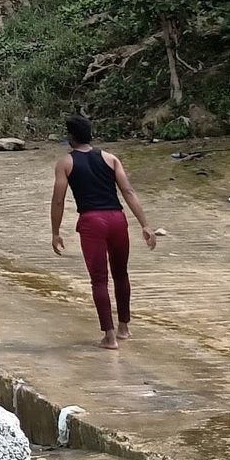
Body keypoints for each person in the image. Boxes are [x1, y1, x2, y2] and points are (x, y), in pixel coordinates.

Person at [51, 114, 156, 348]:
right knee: (121, 274)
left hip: (91, 221)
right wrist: (145, 225)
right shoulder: (110, 158)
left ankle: (109, 337)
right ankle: (124, 329)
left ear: (70, 136)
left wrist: (55, 231)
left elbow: (58, 201)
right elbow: (128, 192)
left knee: (99, 280)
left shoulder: (66, 163)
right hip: (118, 219)